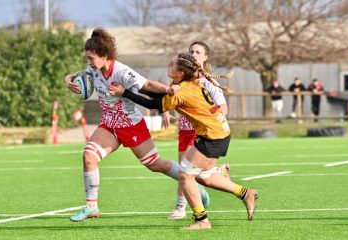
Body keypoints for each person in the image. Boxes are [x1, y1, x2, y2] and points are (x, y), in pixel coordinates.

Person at [64, 28, 209, 222]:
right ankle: (92, 206)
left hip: (131, 125)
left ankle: (192, 183)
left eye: (91, 58)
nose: (88, 62)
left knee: (155, 164)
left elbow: (147, 84)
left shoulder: (122, 71)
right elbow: (77, 74)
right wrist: (69, 80)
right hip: (109, 124)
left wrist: (168, 89)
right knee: (88, 156)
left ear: (104, 56)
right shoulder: (93, 69)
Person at [108, 53, 258, 230]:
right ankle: (245, 193)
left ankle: (202, 220)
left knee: (185, 175)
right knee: (204, 177)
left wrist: (125, 92)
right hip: (218, 133)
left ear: (180, 73)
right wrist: (133, 86)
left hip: (213, 136)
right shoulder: (182, 84)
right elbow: (156, 95)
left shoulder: (182, 91)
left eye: (172, 64)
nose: (168, 65)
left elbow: (153, 105)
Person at [162, 41, 232, 220]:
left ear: (206, 57)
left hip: (200, 131)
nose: (194, 54)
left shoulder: (208, 81)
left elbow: (223, 108)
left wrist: (213, 123)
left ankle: (180, 208)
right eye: (191, 51)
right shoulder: (182, 77)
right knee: (186, 171)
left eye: (198, 52)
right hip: (184, 129)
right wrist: (166, 113)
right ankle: (218, 173)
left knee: (185, 171)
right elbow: (171, 97)